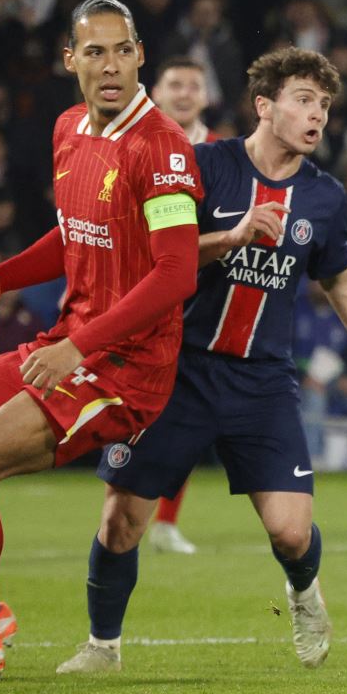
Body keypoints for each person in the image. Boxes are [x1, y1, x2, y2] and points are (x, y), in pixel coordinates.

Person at [55, 48, 347, 674]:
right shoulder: (205, 166)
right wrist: (230, 239)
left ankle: (305, 592)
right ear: (264, 105)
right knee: (122, 519)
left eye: (324, 105)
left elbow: (345, 285)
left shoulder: (324, 198)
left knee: (291, 533)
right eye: (303, 100)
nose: (317, 116)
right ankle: (102, 646)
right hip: (176, 370)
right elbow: (157, 256)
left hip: (261, 381)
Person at [0, 0, 205, 686]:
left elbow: (176, 272)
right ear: (71, 61)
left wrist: (79, 346)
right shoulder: (69, 129)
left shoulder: (165, 149)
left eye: (122, 50)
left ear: (141, 54)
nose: (111, 65)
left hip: (124, 370)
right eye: (94, 52)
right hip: (67, 343)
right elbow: (74, 233)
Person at [142, 56, 215, 555]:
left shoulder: (224, 153)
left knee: (190, 410)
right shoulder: (138, 145)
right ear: (156, 92)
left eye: (194, 85)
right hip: (139, 293)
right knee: (133, 408)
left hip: (202, 298)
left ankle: (165, 520)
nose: (185, 93)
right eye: (176, 84)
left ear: (205, 96)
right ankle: (122, 508)